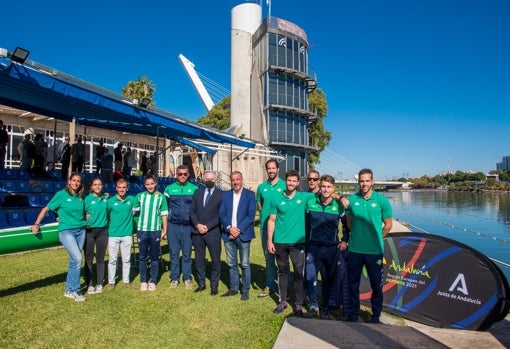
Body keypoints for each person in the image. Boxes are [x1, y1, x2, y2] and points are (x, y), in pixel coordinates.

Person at [346, 168, 393, 324]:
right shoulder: (352, 200)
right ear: (358, 182)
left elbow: (388, 225)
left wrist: (376, 238)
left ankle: (375, 316)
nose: (364, 184)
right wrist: (360, 236)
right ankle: (353, 314)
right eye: (361, 181)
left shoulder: (382, 201)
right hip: (355, 250)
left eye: (367, 181)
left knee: (376, 286)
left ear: (372, 182)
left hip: (374, 252)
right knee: (353, 285)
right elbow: (349, 223)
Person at [30, 173, 86, 301]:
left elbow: (83, 213)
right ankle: (76, 290)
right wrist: (37, 223)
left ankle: (69, 290)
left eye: (78, 181)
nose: (76, 183)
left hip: (81, 231)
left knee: (74, 260)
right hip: (67, 232)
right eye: (74, 180)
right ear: (69, 181)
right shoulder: (61, 195)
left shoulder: (80, 197)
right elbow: (46, 209)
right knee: (78, 258)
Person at [267, 169, 315, 316]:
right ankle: (283, 302)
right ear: (285, 180)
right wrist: (270, 240)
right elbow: (272, 220)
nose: (291, 183)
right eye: (289, 180)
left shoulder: (304, 197)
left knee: (299, 274)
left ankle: (299, 305)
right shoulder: (276, 197)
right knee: (282, 272)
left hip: (298, 243)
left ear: (298, 183)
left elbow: (325, 193)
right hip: (280, 242)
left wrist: (341, 198)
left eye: (294, 181)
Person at [304, 174, 350, 319]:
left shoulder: (338, 206)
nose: (325, 189)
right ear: (320, 186)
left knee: (327, 279)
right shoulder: (310, 203)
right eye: (323, 186)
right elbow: (305, 225)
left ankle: (325, 307)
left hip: (331, 249)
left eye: (328, 187)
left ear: (333, 188)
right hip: (314, 248)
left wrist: (345, 240)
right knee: (310, 277)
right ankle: (314, 305)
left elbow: (346, 226)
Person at [219, 171, 257, 301]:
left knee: (245, 264)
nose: (235, 182)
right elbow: (221, 214)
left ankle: (245, 290)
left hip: (243, 234)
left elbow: (251, 215)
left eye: (237, 179)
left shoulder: (250, 195)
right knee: (231, 263)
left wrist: (238, 230)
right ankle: (234, 288)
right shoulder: (225, 195)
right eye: (233, 180)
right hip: (228, 234)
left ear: (242, 180)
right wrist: (230, 228)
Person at [164, 165, 197, 290]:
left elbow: (197, 208)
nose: (182, 176)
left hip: (188, 226)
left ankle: (187, 278)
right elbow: (164, 208)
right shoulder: (169, 189)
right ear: (176, 175)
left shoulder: (194, 189)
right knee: (174, 253)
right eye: (180, 174)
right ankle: (174, 278)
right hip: (173, 226)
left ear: (188, 175)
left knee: (187, 253)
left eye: (185, 174)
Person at [256, 159, 286, 298]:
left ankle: (284, 289)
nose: (271, 171)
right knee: (269, 259)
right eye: (269, 168)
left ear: (278, 169)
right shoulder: (261, 187)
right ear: (266, 170)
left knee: (282, 260)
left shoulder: (285, 186)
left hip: (281, 229)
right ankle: (269, 286)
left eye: (273, 168)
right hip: (264, 228)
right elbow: (260, 206)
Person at [133, 174, 168, 291]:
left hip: (155, 230)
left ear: (155, 184)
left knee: (154, 257)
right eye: (147, 184)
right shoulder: (140, 196)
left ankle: (153, 280)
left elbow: (164, 215)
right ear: (144, 185)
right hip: (142, 230)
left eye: (152, 184)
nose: (150, 186)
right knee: (142, 257)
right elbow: (133, 212)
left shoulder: (161, 197)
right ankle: (143, 281)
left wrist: (165, 230)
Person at [190, 170, 222, 295]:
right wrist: (197, 225)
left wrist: (207, 226)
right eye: (207, 178)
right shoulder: (197, 192)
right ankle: (201, 283)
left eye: (212, 179)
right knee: (199, 259)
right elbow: (192, 211)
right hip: (197, 232)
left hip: (212, 232)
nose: (209, 181)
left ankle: (214, 285)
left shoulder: (221, 194)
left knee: (215, 260)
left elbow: (221, 215)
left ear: (216, 180)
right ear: (203, 179)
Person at [107, 178, 135, 290]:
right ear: (116, 188)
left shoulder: (131, 199)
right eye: (119, 187)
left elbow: (137, 207)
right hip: (113, 234)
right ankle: (111, 282)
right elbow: (106, 214)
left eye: (124, 187)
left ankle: (126, 281)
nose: (122, 189)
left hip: (127, 234)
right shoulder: (110, 201)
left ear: (127, 188)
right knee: (112, 259)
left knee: (126, 259)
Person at [83, 177, 109, 294]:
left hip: (102, 232)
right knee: (88, 259)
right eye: (95, 185)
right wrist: (85, 221)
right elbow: (79, 213)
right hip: (90, 232)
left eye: (99, 184)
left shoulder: (105, 199)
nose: (98, 186)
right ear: (91, 187)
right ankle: (89, 284)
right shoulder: (86, 199)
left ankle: (99, 283)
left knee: (100, 259)